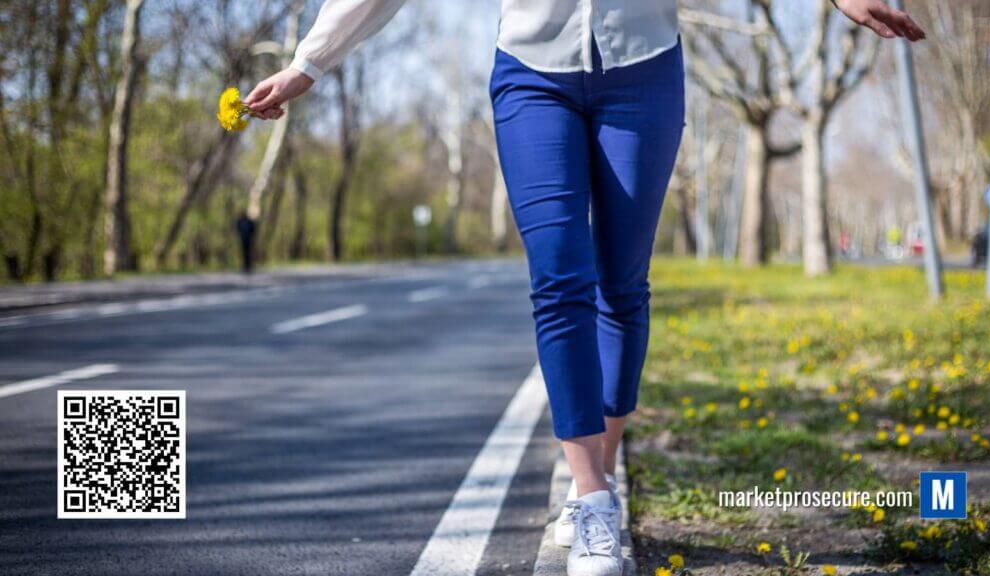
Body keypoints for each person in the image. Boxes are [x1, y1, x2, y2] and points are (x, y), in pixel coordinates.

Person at [245, 2, 925, 574]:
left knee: (622, 283)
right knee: (560, 276)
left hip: (645, 70)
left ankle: (600, 464)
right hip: (531, 76)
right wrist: (310, 60)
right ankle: (594, 496)